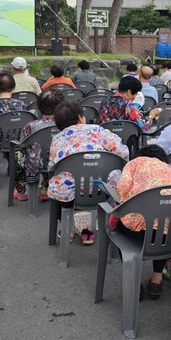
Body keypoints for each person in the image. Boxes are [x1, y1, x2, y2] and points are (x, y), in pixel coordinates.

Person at [112, 145, 171, 300]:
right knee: (162, 225)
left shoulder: (134, 164)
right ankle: (157, 279)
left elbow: (121, 191)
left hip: (138, 233)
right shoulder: (170, 169)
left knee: (124, 224)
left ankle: (134, 282)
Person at [47, 101, 130, 244]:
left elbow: (52, 167)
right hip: (103, 186)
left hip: (71, 192)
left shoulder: (57, 138)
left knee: (57, 184)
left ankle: (68, 229)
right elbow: (123, 152)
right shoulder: (97, 130)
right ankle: (110, 226)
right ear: (80, 117)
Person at [13, 88, 64, 201]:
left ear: (39, 107)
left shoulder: (31, 125)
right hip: (58, 161)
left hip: (35, 162)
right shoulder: (66, 124)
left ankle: (23, 191)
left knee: (18, 153)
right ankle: (46, 188)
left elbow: (23, 144)